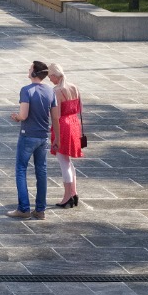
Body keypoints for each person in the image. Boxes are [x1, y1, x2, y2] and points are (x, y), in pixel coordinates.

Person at [8, 61, 55, 219]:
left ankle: (24, 208)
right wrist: (58, 138)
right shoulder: (50, 91)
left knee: (21, 170)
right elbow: (55, 117)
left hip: (27, 135)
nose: (28, 70)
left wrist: (16, 117)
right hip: (43, 137)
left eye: (30, 68)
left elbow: (24, 115)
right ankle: (40, 210)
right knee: (41, 171)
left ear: (34, 73)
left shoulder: (26, 90)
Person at [48, 64, 83, 208]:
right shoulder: (74, 87)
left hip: (63, 126)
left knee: (63, 162)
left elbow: (57, 115)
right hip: (74, 123)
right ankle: (74, 193)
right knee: (68, 161)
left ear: (55, 76)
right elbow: (79, 108)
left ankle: (67, 196)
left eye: (50, 76)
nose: (50, 79)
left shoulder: (57, 91)